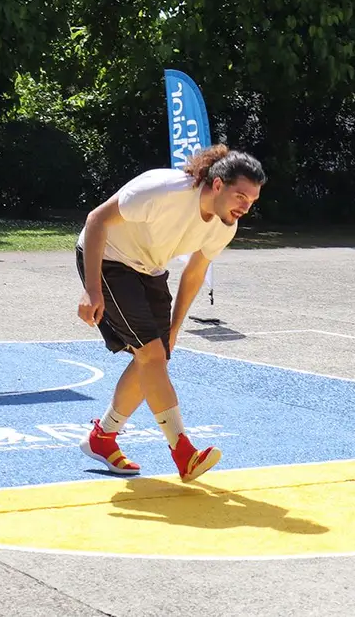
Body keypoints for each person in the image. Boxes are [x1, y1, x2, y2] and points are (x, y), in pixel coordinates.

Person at [76, 144, 266, 483]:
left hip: (149, 268)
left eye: (252, 201)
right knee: (150, 355)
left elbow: (194, 274)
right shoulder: (162, 191)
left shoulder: (224, 225)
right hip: (109, 257)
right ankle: (183, 452)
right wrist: (92, 289)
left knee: (154, 356)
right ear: (218, 184)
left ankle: (102, 438)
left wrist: (175, 328)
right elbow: (96, 219)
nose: (245, 207)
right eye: (241, 196)